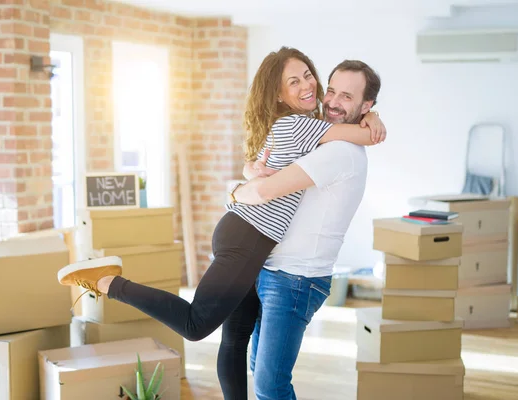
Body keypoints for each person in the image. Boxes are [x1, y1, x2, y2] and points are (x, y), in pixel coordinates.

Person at [56, 48, 385, 348]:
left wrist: (371, 114)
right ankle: (109, 282)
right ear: (280, 94)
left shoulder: (311, 127)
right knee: (196, 324)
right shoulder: (305, 127)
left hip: (251, 238)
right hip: (248, 236)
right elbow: (362, 137)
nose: (313, 90)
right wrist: (372, 119)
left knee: (235, 336)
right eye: (296, 82)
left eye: (310, 77)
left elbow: (258, 168)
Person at [217, 60, 381, 400]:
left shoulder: (341, 151)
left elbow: (264, 191)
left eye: (347, 97)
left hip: (294, 280)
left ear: (366, 105)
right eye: (331, 90)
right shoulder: (321, 136)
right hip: (274, 270)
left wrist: (234, 191)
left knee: (270, 385)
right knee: (259, 369)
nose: (333, 101)